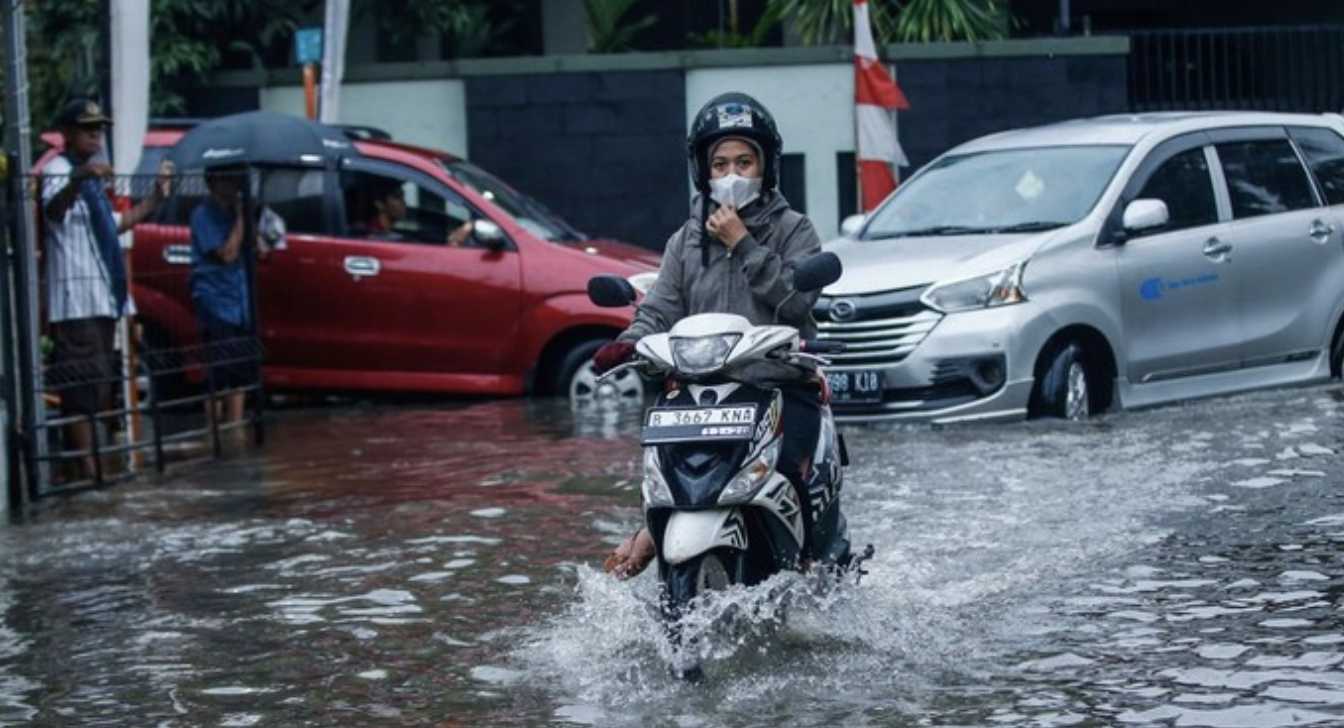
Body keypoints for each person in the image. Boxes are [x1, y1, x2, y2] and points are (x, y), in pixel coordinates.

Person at [597, 92, 830, 579]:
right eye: (720, 164)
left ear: (766, 166)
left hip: (777, 383)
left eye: (744, 162)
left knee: (794, 468)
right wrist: (628, 342)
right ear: (702, 171)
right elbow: (660, 307)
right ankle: (654, 526)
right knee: (661, 466)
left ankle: (809, 563)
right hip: (701, 392)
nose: (731, 174)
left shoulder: (794, 230)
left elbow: (796, 302)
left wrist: (742, 243)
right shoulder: (685, 241)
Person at [42, 98, 172, 479]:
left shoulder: (93, 181)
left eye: (99, 129)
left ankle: (84, 465)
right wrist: (80, 179)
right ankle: (87, 467)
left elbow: (116, 223)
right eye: (88, 129)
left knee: (98, 383)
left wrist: (156, 198)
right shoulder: (57, 171)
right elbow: (53, 210)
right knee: (80, 386)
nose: (96, 136)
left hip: (103, 299)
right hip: (76, 302)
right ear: (67, 134)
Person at [190, 165, 266, 430]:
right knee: (218, 372)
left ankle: (235, 428)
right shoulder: (203, 215)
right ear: (214, 182)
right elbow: (227, 254)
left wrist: (250, 221)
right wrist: (241, 219)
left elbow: (260, 249)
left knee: (239, 372)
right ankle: (213, 431)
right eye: (229, 180)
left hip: (240, 303)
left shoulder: (234, 214)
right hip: (216, 302)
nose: (235, 186)